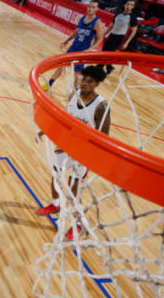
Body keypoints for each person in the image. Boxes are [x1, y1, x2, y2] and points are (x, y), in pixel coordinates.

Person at [36, 66, 111, 241]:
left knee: (73, 190)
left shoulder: (101, 106)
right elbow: (65, 120)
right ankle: (55, 204)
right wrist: (45, 130)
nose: (85, 83)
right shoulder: (72, 96)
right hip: (64, 145)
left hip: (83, 152)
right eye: (84, 79)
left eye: (90, 81)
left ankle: (78, 224)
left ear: (97, 84)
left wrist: (90, 154)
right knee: (55, 176)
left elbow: (104, 136)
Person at [44, 0, 104, 90]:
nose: (90, 9)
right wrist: (66, 40)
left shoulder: (97, 22)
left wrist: (90, 49)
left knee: (78, 74)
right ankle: (49, 85)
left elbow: (100, 39)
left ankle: (76, 94)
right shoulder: (82, 18)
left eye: (93, 7)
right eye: (89, 6)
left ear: (97, 9)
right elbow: (76, 31)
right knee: (61, 66)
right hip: (73, 48)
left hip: (83, 51)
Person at [100, 0, 138, 73]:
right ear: (125, 5)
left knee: (109, 53)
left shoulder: (132, 18)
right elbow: (111, 25)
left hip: (119, 37)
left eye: (131, 5)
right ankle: (109, 67)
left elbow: (134, 31)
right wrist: (103, 34)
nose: (129, 6)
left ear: (133, 7)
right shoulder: (118, 14)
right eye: (128, 4)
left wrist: (127, 42)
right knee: (104, 51)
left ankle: (99, 67)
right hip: (112, 35)